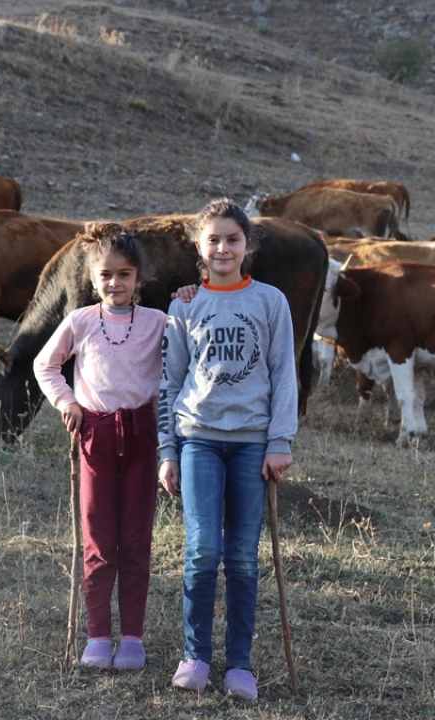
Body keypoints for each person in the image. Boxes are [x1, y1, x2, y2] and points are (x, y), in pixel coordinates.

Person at [157, 198, 298, 701]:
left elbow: (284, 374)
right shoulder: (184, 305)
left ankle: (239, 664)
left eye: (232, 239)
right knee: (201, 552)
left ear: (248, 245)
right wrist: (167, 451)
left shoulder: (269, 301)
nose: (222, 247)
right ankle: (195, 656)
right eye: (213, 239)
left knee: (241, 555)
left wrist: (279, 440)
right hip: (197, 439)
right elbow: (168, 383)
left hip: (251, 443)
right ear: (198, 244)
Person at [34, 223, 167, 671]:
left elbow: (182, 356)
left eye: (125, 274)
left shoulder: (158, 323)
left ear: (139, 279)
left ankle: (131, 638)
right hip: (95, 434)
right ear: (93, 279)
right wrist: (66, 401)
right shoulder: (81, 322)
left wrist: (190, 296)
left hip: (143, 434)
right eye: (106, 275)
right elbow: (45, 364)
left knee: (134, 538)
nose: (115, 283)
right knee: (98, 539)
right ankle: (96, 636)